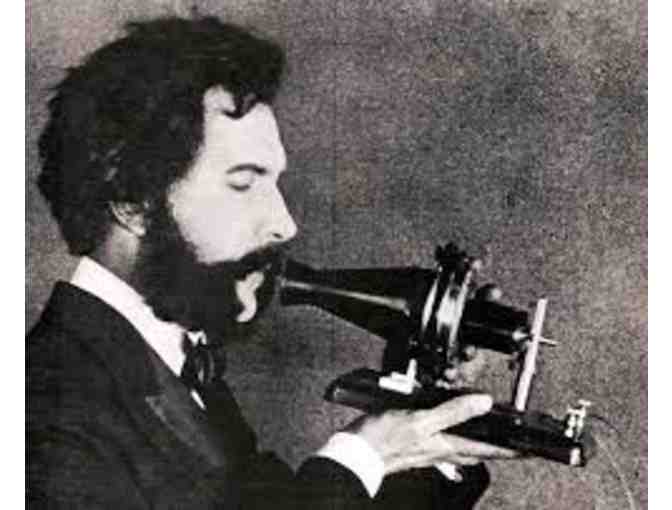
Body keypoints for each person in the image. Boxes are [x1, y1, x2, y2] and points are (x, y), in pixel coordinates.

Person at [27, 16, 516, 509]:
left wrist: (422, 430)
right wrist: (358, 458)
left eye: (273, 182)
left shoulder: (176, 364)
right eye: (243, 183)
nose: (285, 224)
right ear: (132, 203)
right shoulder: (42, 411)